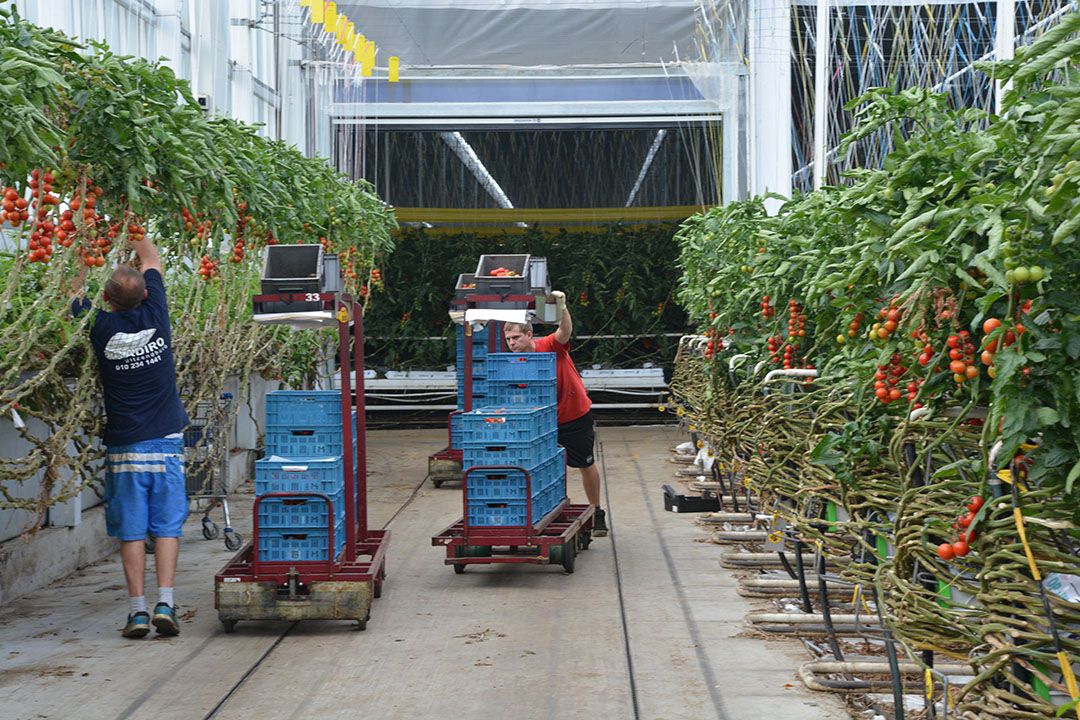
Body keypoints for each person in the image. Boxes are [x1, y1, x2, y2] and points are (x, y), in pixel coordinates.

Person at [77, 236, 189, 638]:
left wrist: (84, 243)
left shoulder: (99, 325)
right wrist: (132, 223)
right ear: (145, 295)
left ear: (107, 300)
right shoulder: (157, 313)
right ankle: (167, 604)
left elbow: (74, 290)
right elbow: (150, 257)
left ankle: (138, 612)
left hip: (124, 447)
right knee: (167, 528)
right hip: (165, 444)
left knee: (130, 531)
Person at [503, 291, 607, 536]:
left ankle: (597, 511)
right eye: (508, 339)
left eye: (516, 337)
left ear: (529, 334)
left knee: (584, 463)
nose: (512, 343)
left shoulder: (549, 345)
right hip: (543, 422)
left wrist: (562, 307)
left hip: (573, 415)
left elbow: (565, 331)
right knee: (545, 468)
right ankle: (549, 511)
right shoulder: (515, 363)